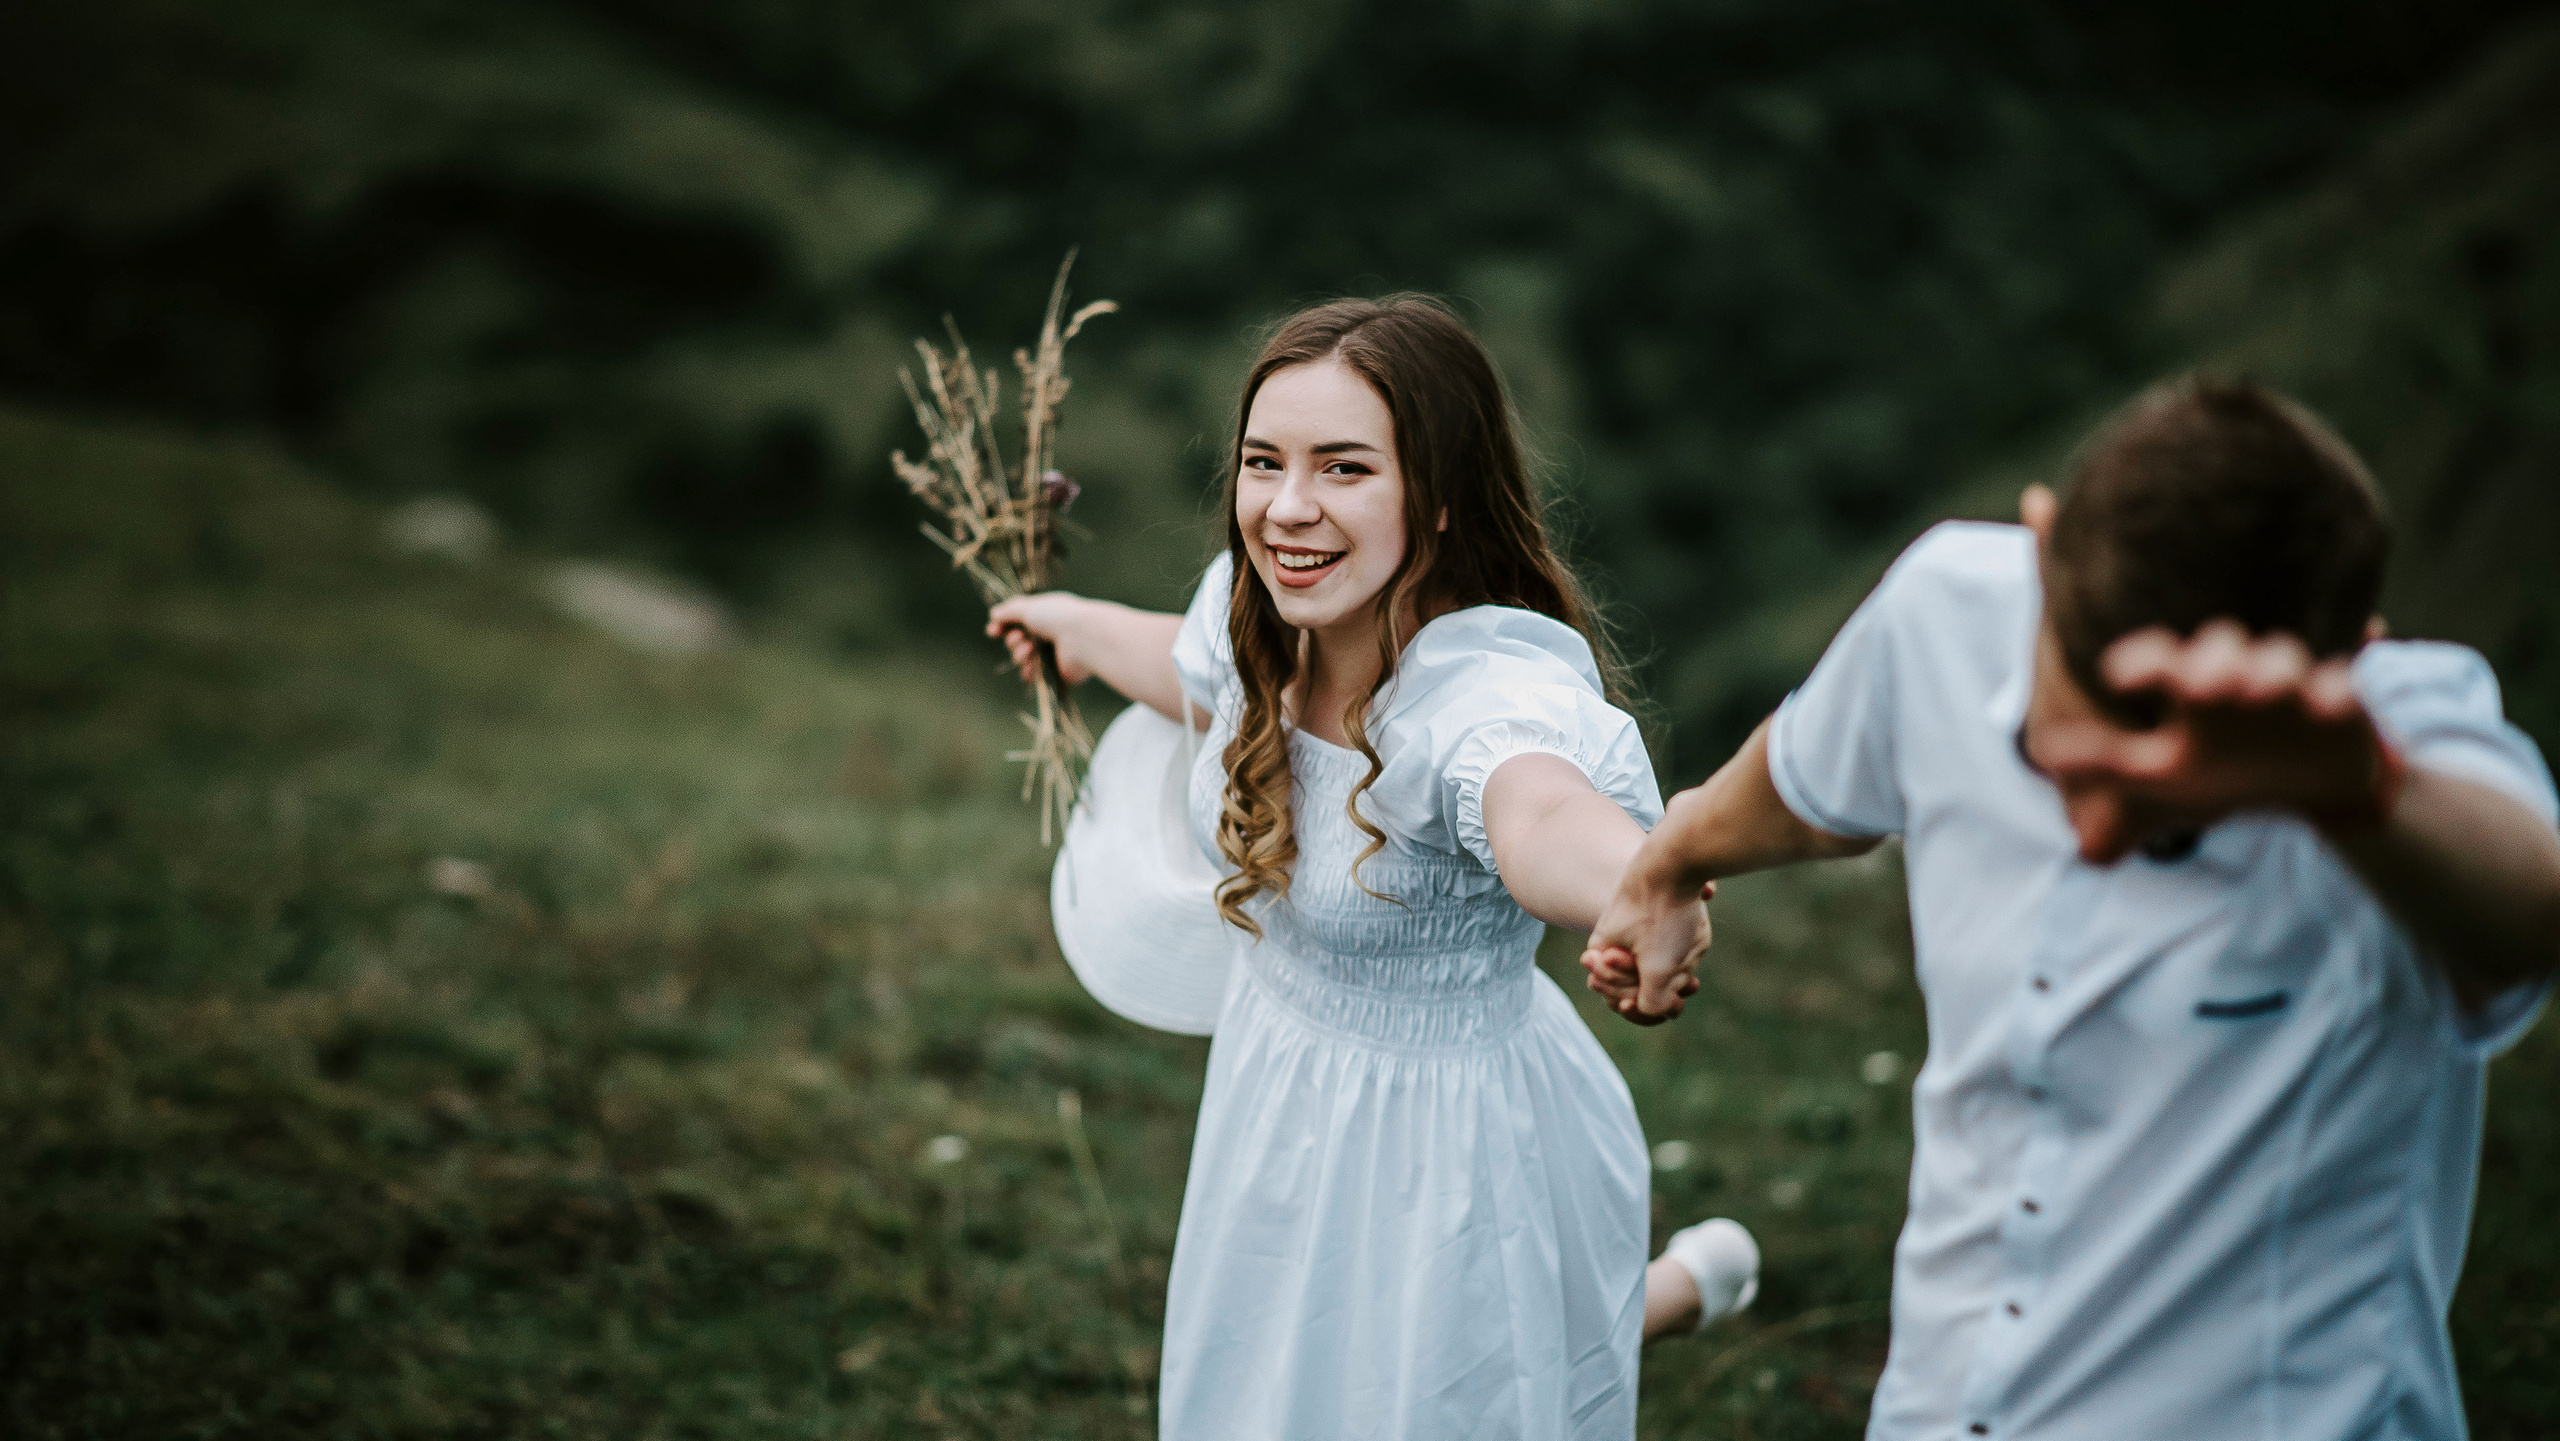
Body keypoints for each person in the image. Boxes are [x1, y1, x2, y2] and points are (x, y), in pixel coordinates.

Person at [1584, 376, 2560, 1439]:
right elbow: (1809, 778)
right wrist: (1667, 861)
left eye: (2171, 806)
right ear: (2040, 546)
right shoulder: (1946, 609)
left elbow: (2531, 913)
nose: (2093, 836)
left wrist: (2357, 786)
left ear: (2351, 655)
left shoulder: (2397, 739)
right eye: (2056, 762)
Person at [989, 295, 1755, 1440]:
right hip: (1278, 1089)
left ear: (1438, 493)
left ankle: (1666, 1292)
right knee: (1276, 1387)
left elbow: (1539, 812)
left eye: (1343, 469)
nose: (1287, 509)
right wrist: (1074, 622)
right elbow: (1201, 676)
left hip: (1448, 1150)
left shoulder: (1479, 698)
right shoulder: (1268, 621)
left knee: (1441, 1399)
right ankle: (1654, 1294)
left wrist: (1642, 879)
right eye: (1263, 462)